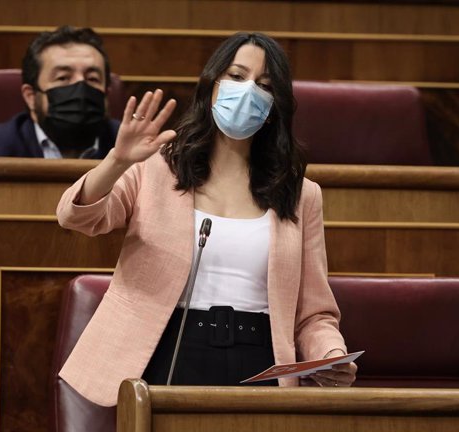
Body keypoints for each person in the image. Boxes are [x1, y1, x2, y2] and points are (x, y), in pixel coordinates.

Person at [56, 32, 357, 407]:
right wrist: (117, 161)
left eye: (264, 85)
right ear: (210, 84)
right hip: (167, 348)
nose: (248, 91)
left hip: (259, 361)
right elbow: (78, 217)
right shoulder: (155, 168)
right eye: (235, 76)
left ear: (274, 105)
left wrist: (330, 355)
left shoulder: (300, 194)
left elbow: (314, 313)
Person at [0, 26, 119, 159]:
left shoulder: (134, 149)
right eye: (63, 78)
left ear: (106, 93)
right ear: (30, 96)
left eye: (92, 79)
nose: (80, 86)